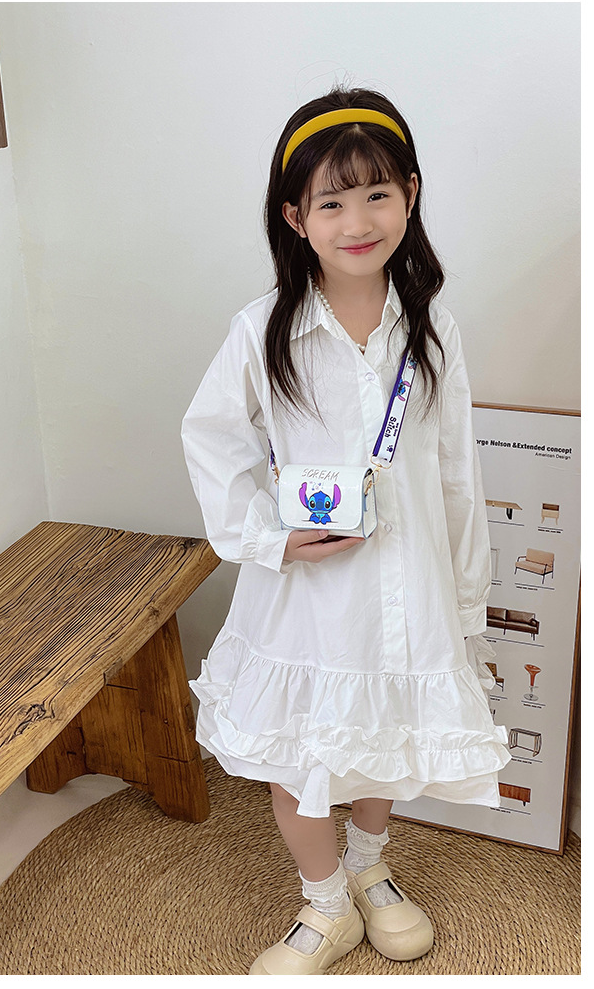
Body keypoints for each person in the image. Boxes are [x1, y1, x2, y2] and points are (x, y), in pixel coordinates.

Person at [181, 86, 510, 976]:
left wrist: (466, 602)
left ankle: (369, 867)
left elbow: (456, 472)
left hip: (411, 589)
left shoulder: (433, 327)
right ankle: (324, 902)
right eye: (331, 202)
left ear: (410, 194)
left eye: (376, 194)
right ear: (296, 217)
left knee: (382, 744)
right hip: (307, 596)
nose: (357, 221)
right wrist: (267, 537)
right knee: (301, 761)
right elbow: (211, 438)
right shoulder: (263, 330)